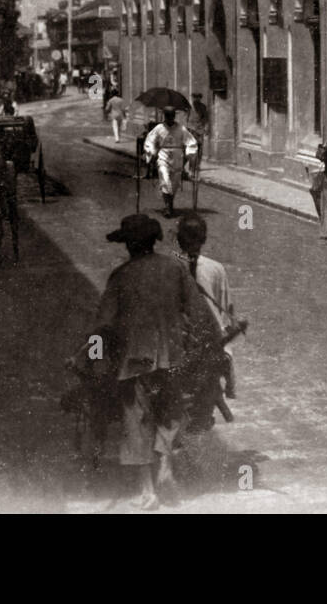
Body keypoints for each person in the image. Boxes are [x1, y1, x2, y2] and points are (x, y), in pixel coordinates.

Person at [90, 212, 219, 510]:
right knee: (170, 415)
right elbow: (201, 316)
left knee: (136, 423)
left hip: (133, 363)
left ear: (129, 246)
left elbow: (102, 326)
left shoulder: (120, 277)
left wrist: (94, 358)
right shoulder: (174, 269)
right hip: (172, 358)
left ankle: (147, 492)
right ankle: (166, 468)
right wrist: (204, 348)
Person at [175, 213, 236, 412]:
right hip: (211, 344)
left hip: (180, 342)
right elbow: (227, 312)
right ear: (204, 239)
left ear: (178, 239)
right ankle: (227, 387)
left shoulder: (170, 266)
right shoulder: (215, 268)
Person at [144, 106, 200, 218]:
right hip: (163, 156)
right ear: (165, 116)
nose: (170, 118)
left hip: (177, 158)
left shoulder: (181, 129)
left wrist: (189, 153)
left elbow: (190, 142)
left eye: (172, 116)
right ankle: (168, 207)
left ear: (174, 116)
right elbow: (150, 141)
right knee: (165, 179)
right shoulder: (159, 128)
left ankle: (170, 204)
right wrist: (152, 150)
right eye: (168, 116)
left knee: (174, 184)